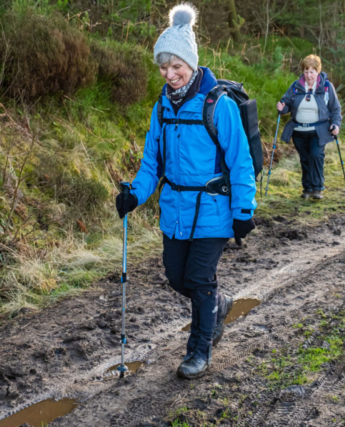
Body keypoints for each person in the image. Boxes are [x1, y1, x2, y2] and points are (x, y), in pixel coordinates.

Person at [115, 3, 257, 379]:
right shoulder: (161, 107)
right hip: (175, 209)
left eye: (176, 66)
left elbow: (240, 161)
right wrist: (135, 193)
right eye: (164, 67)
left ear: (191, 64)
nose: (170, 74)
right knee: (177, 278)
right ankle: (220, 304)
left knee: (198, 279)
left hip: (213, 209)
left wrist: (244, 210)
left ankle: (199, 351)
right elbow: (151, 164)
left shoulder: (218, 105)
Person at [276, 54, 342, 200]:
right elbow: (286, 104)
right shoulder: (295, 86)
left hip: (318, 131)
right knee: (305, 159)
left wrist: (335, 124)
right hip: (298, 131)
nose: (308, 75)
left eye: (312, 71)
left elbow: (335, 109)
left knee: (316, 156)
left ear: (317, 71)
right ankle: (307, 188)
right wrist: (282, 106)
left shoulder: (326, 87)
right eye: (306, 71)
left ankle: (317, 188)